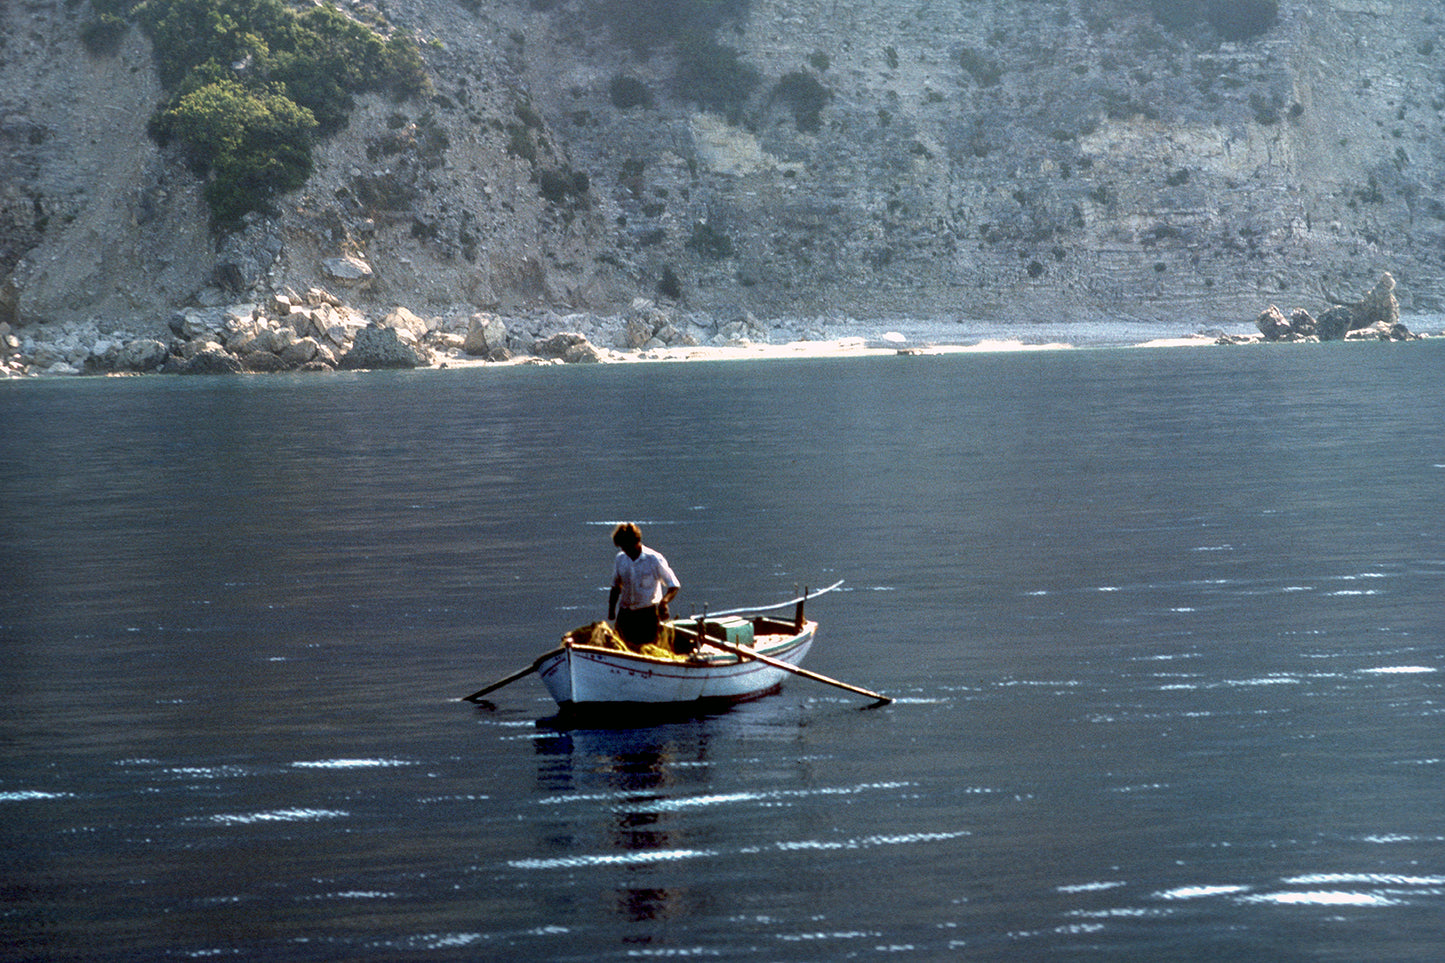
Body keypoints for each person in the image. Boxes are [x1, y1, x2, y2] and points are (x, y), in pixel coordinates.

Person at [607, 522, 680, 652]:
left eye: (626, 547)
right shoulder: (620, 559)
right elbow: (615, 587)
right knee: (622, 649)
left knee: (646, 650)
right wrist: (611, 610)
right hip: (625, 614)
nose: (624, 551)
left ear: (636, 542)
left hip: (647, 615)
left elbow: (674, 585)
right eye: (622, 548)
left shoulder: (654, 559)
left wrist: (664, 602)